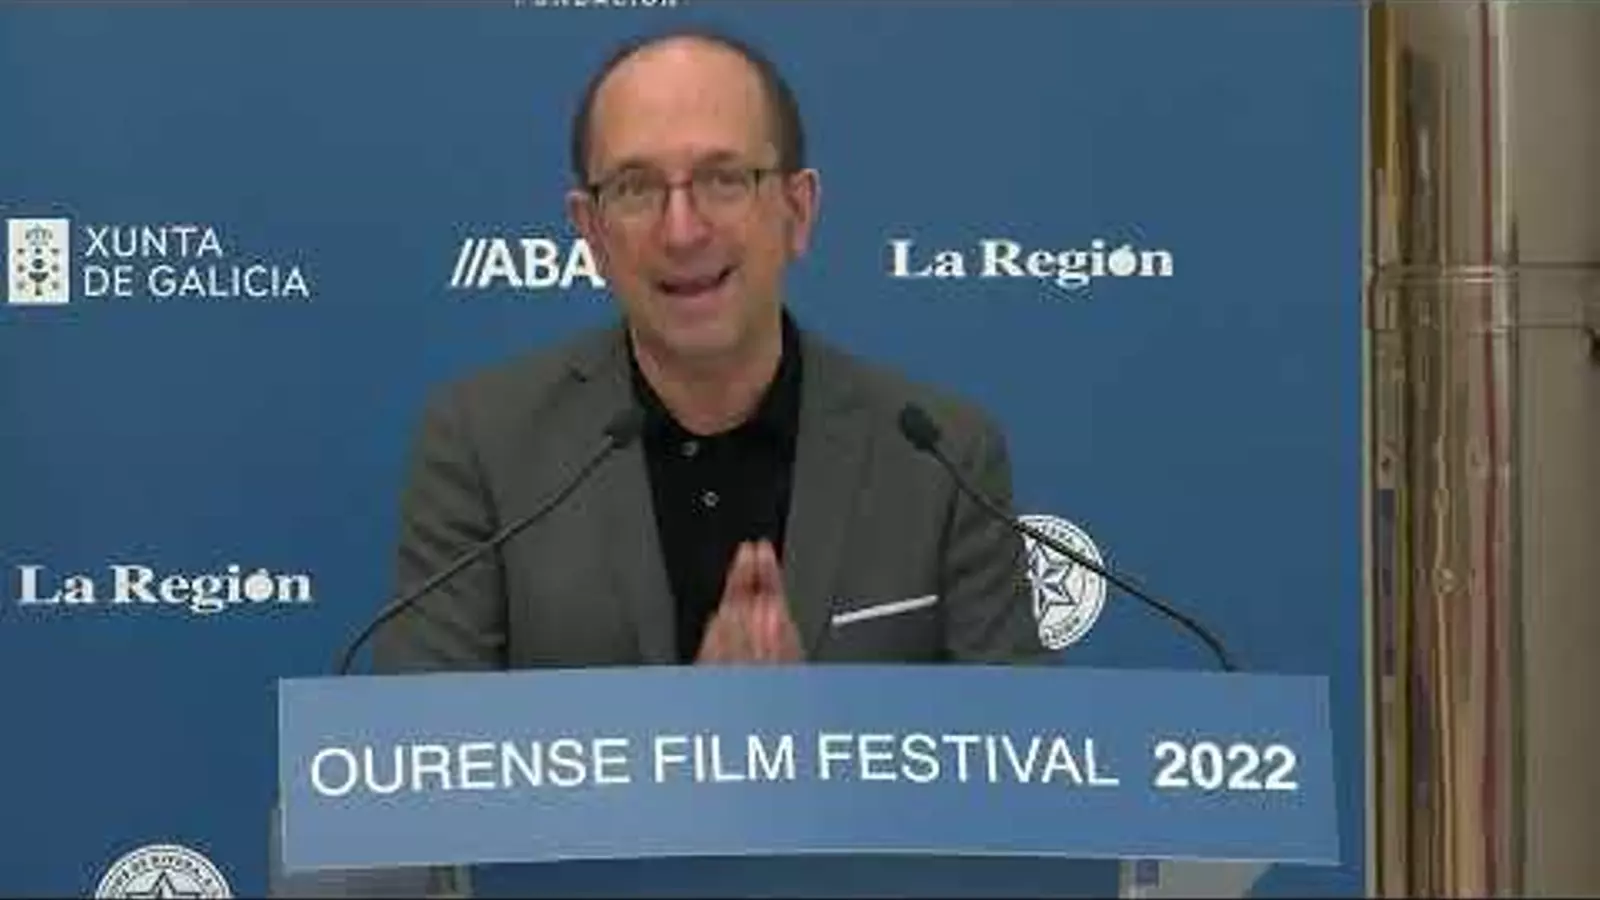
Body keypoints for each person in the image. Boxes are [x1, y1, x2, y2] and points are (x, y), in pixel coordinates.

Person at [371, 27, 1047, 673]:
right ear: (591, 233)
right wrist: (702, 722)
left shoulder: (940, 458)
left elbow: (1018, 740)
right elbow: (425, 739)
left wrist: (799, 724)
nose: (682, 230)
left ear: (798, 211)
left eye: (723, 179)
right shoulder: (484, 446)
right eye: (636, 187)